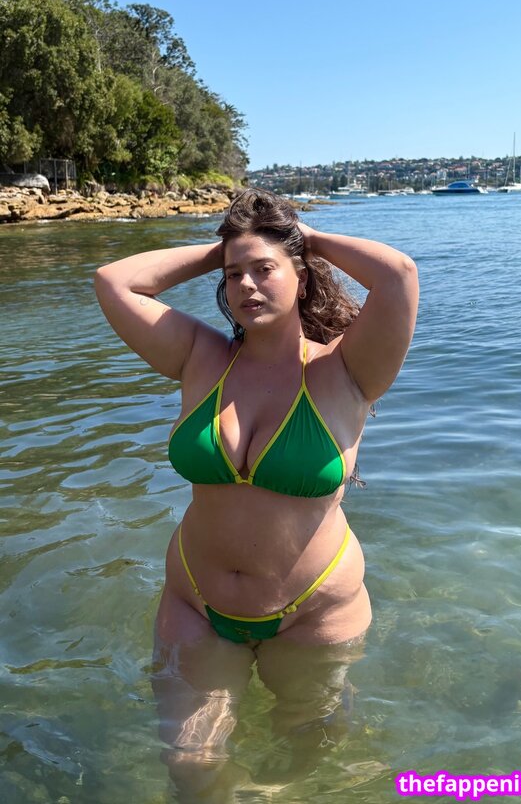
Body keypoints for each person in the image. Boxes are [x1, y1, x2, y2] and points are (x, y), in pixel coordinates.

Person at [94, 189, 418, 793]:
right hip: (195, 605)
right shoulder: (200, 357)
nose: (246, 284)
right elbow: (115, 281)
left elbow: (397, 274)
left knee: (305, 755)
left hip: (313, 615)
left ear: (302, 275)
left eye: (264, 270)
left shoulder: (346, 370)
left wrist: (302, 239)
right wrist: (228, 249)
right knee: (191, 764)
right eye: (233, 276)